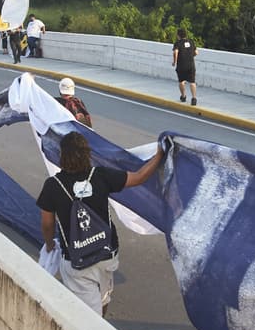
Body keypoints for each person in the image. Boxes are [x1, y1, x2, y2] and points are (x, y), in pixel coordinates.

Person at [36, 131, 165, 316]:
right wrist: (160, 154)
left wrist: (49, 245)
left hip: (76, 261)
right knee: (103, 297)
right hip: (106, 255)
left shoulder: (53, 185)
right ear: (87, 154)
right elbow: (139, 177)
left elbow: (47, 224)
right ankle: (100, 325)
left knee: (86, 316)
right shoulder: (101, 176)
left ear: (62, 156)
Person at [172, 28, 198, 105]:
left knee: (181, 81)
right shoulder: (191, 42)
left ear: (178, 35)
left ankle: (183, 96)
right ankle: (194, 98)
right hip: (191, 65)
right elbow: (196, 52)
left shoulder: (178, 43)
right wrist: (190, 56)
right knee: (192, 82)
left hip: (181, 65)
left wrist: (174, 62)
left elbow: (175, 52)